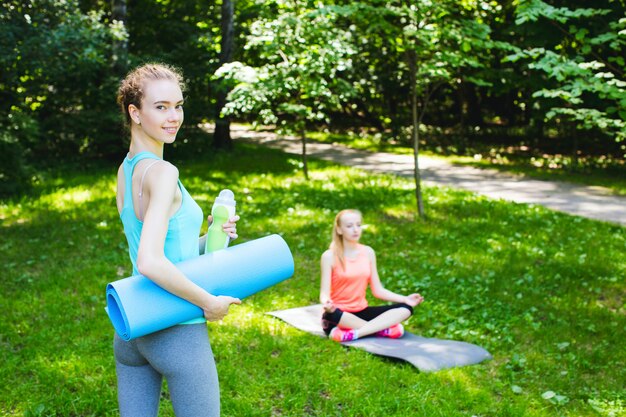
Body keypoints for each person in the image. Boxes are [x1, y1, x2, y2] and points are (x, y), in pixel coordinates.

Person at [113, 63, 241, 416]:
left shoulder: (126, 169)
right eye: (161, 107)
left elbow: (159, 248)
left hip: (133, 327)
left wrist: (207, 235)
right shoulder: (164, 172)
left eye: (178, 106)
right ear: (134, 112)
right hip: (176, 332)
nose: (173, 117)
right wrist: (209, 303)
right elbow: (150, 261)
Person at [320, 209, 424, 342]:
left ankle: (354, 334)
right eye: (349, 226)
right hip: (339, 314)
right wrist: (326, 303)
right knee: (332, 315)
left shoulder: (368, 252)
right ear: (339, 230)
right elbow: (324, 293)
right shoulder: (329, 256)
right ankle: (383, 330)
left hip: (362, 312)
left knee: (406, 309)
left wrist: (405, 299)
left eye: (358, 225)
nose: (355, 230)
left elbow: (378, 290)